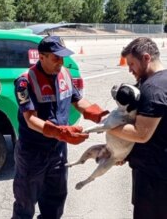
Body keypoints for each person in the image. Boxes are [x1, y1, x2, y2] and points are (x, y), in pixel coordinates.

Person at [12, 35, 109, 219]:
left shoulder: (64, 73)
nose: (61, 62)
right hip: (33, 153)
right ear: (41, 57)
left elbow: (77, 99)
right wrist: (60, 132)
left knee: (55, 203)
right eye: (56, 57)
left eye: (63, 57)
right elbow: (30, 119)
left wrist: (94, 112)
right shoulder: (25, 82)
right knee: (25, 206)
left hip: (58, 151)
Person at [108, 37, 167, 219]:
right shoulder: (161, 80)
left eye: (132, 63)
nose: (129, 69)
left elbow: (141, 134)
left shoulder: (153, 88)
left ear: (146, 58)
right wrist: (126, 154)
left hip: (154, 180)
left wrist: (108, 127)